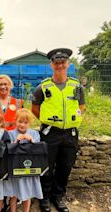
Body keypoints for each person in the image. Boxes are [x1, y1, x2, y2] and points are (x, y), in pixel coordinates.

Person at [31, 48, 86, 212]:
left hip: (70, 133)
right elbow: (34, 108)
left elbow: (81, 108)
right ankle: (45, 198)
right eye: (57, 63)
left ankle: (58, 196)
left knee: (65, 167)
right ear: (51, 65)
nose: (60, 65)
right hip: (50, 133)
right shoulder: (43, 87)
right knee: (46, 166)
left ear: (68, 64)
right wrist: (49, 121)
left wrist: (69, 121)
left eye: (63, 62)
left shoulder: (76, 87)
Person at [5, 108, 43, 212]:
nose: (22, 125)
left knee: (28, 193)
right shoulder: (10, 133)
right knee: (13, 193)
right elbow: (7, 149)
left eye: (25, 122)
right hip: (15, 169)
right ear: (15, 121)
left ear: (29, 123)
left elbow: (38, 149)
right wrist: (16, 141)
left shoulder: (34, 134)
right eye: (20, 121)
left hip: (28, 169)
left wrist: (32, 140)